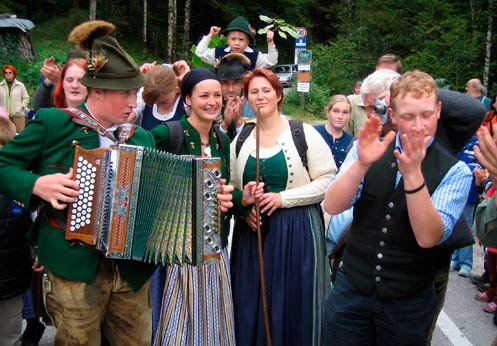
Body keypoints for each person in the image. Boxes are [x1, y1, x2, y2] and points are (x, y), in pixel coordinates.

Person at [0, 20, 157, 345]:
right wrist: (36, 185)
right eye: (125, 93)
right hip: (74, 267)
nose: (134, 101)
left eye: (135, 92)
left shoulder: (141, 137)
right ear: (97, 91)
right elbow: (3, 163)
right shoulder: (54, 123)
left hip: (130, 270)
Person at [323, 70, 472, 345]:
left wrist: (414, 174)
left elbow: (428, 237)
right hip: (352, 289)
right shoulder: (368, 146)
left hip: (408, 302)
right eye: (407, 116)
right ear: (391, 113)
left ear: (439, 110)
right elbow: (332, 205)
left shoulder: (456, 170)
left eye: (426, 115)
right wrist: (362, 164)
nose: (417, 126)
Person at [230, 68, 335, 346]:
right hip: (252, 236)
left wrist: (282, 199)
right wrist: (245, 202)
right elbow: (229, 184)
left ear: (278, 95)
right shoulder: (241, 139)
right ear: (247, 98)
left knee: (293, 304)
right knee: (253, 301)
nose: (260, 96)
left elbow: (327, 180)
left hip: (297, 233)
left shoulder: (303, 132)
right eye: (253, 91)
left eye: (266, 90)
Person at [150, 68, 242, 345]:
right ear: (187, 99)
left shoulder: (221, 139)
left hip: (214, 250)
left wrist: (241, 199)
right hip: (177, 253)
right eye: (204, 95)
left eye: (217, 95)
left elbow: (224, 193)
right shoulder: (168, 134)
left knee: (213, 327)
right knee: (178, 329)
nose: (213, 101)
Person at [0, 107, 34, 346]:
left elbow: (29, 223)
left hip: (9, 280)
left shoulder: (18, 177)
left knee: (9, 336)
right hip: (11, 278)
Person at [450, 135, 482, 277]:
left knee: (466, 225)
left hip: (470, 191)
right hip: (453, 190)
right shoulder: (457, 140)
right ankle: (455, 259)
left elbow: (479, 166)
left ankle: (466, 263)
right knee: (454, 224)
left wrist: (459, 169)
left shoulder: (477, 144)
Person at [195, 16, 278, 70]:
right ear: (227, 39)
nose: (237, 43)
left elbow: (271, 61)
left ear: (247, 41)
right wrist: (210, 35)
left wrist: (270, 42)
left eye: (241, 39)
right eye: (233, 39)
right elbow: (200, 52)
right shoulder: (218, 53)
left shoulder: (255, 56)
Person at [134, 62, 188, 130]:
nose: (158, 105)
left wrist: (188, 80)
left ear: (177, 90)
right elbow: (125, 116)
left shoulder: (186, 103)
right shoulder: (143, 98)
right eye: (153, 103)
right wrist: (135, 79)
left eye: (163, 102)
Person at [216, 52, 255, 140]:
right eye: (225, 83)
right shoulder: (212, 103)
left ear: (243, 83)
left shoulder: (252, 104)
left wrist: (239, 122)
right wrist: (224, 125)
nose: (230, 89)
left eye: (235, 83)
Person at [314, 94, 353, 170]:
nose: (340, 116)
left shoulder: (351, 142)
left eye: (345, 112)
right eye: (336, 111)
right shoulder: (313, 133)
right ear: (328, 112)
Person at [0, 65, 30, 133]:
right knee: (5, 135)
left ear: (14, 74)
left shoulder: (20, 85)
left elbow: (26, 97)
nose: (8, 74)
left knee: (21, 135)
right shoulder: (0, 86)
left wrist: (21, 106)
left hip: (18, 115)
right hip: (4, 116)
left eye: (10, 73)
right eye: (6, 73)